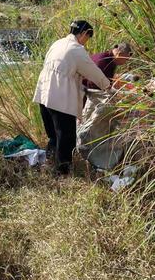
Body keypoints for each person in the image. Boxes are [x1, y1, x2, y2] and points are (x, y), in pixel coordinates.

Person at [33, 20, 110, 175]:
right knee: (66, 136)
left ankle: (49, 162)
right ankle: (63, 173)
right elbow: (93, 71)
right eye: (88, 37)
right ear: (83, 33)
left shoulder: (58, 43)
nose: (86, 41)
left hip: (44, 93)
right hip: (59, 97)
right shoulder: (76, 50)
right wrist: (107, 86)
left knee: (53, 135)